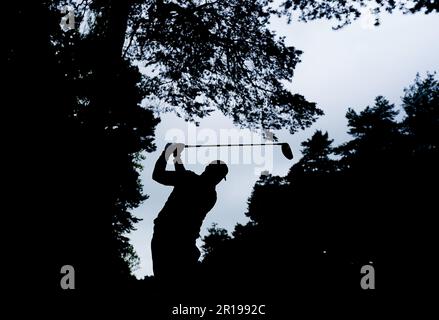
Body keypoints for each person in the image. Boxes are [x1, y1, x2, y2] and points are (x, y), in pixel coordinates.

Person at [151, 143, 228, 283]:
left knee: (167, 279)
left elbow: (161, 175)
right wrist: (174, 156)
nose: (218, 181)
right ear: (210, 172)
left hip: (169, 236)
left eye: (219, 177)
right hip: (176, 239)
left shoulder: (207, 192)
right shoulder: (209, 193)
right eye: (218, 176)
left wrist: (169, 154)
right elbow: (177, 176)